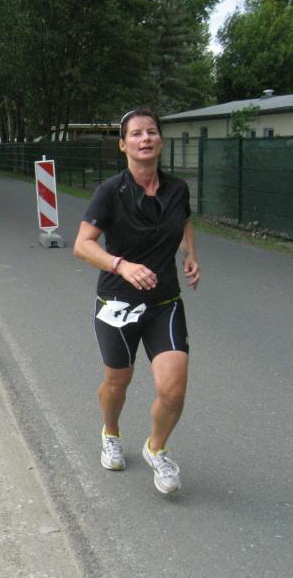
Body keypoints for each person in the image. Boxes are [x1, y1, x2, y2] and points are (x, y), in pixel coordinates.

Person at [72, 107, 200, 496]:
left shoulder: (177, 189)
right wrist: (122, 266)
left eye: (151, 132)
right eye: (136, 134)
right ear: (123, 145)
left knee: (173, 390)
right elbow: (82, 245)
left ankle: (156, 449)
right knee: (118, 380)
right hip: (118, 302)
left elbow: (184, 221)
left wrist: (190, 254)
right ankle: (110, 433)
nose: (145, 138)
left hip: (165, 301)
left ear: (160, 139)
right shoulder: (110, 192)